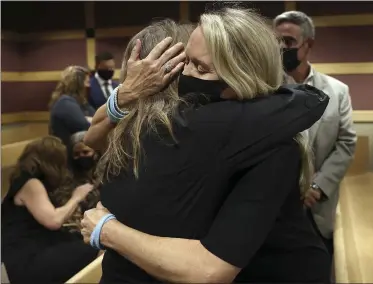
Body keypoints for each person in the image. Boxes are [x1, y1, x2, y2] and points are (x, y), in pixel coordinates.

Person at [81, 11, 330, 284]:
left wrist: (107, 230)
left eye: (199, 68)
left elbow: (209, 268)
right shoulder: (163, 128)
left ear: (242, 78)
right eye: (185, 62)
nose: (182, 75)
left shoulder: (265, 141)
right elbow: (94, 137)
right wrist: (127, 92)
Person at [274, 11, 357, 256]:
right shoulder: (265, 89)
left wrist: (317, 186)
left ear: (308, 44)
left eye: (288, 41)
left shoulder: (337, 90)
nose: (281, 48)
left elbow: (346, 143)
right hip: (275, 206)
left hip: (318, 206)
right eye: (277, 41)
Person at [1, 136, 99, 283]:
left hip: (30, 253)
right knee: (100, 250)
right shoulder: (31, 184)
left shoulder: (25, 181)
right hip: (29, 260)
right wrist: (76, 197)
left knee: (87, 241)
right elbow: (53, 221)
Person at [49, 66, 96, 149]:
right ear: (79, 83)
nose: (89, 86)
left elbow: (96, 119)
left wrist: (89, 119)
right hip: (66, 153)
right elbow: (85, 126)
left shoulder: (81, 102)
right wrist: (88, 119)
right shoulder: (65, 101)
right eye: (87, 82)